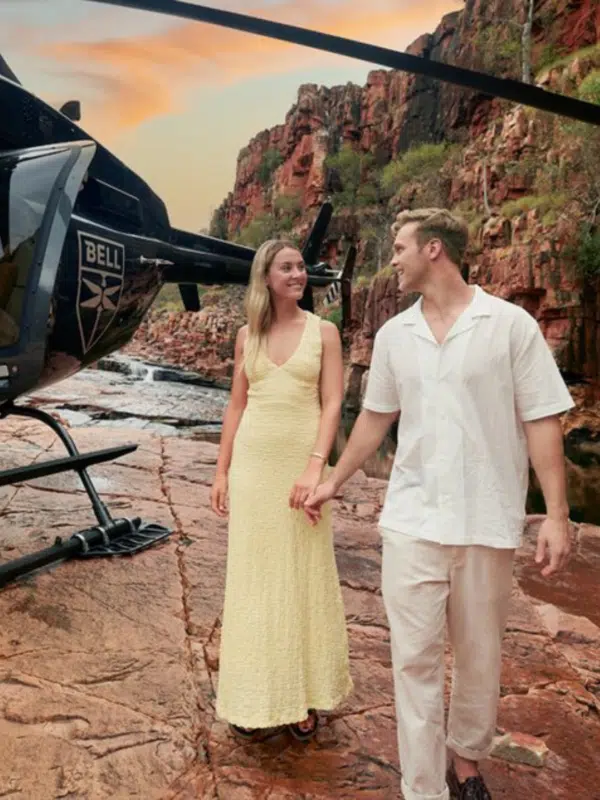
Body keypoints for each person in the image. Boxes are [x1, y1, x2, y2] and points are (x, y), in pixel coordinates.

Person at [305, 208, 574, 800]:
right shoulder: (396, 335)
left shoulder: (509, 325)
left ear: (433, 250)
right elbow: (376, 419)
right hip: (412, 520)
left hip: (488, 519)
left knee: (479, 657)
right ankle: (423, 788)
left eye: (399, 247)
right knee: (414, 663)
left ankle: (467, 760)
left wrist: (556, 515)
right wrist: (334, 479)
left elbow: (542, 419)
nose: (392, 259)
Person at [210, 238, 352, 742]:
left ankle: (302, 696)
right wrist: (223, 470)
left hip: (300, 465)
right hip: (253, 467)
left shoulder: (324, 332)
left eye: (301, 267)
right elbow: (236, 406)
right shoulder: (246, 336)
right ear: (266, 278)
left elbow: (333, 403)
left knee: (302, 575)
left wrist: (316, 468)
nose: (298, 274)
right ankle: (252, 695)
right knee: (254, 579)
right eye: (286, 267)